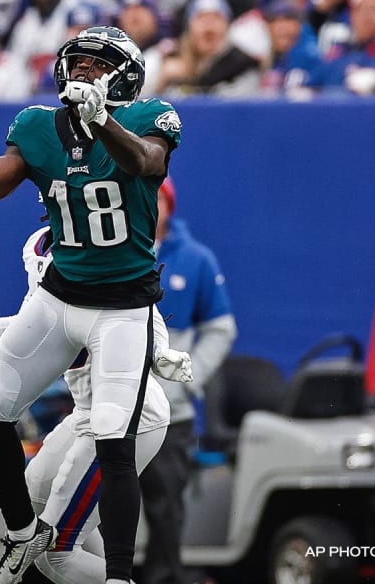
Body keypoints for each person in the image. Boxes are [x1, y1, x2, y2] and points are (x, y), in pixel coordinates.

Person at [0, 24, 180, 584]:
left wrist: (101, 120)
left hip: (123, 306)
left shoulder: (148, 117)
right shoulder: (40, 127)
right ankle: (21, 535)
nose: (86, 72)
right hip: (60, 296)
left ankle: (117, 577)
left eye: (99, 64)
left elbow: (144, 162)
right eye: (80, 62)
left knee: (114, 440)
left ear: (127, 76)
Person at [0, 226, 193, 584]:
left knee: (56, 554)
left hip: (127, 418)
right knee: (32, 494)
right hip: (86, 414)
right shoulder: (56, 262)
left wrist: (158, 352)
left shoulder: (99, 265)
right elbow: (17, 334)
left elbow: (141, 313)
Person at [139, 178, 237, 584]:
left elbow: (221, 329)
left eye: (155, 196)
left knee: (165, 512)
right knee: (101, 511)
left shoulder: (197, 260)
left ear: (169, 204)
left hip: (169, 418)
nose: (148, 204)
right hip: (109, 414)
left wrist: (186, 379)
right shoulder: (108, 255)